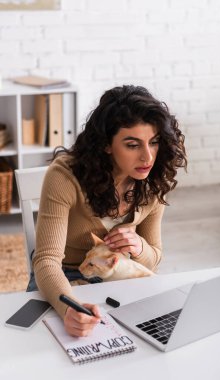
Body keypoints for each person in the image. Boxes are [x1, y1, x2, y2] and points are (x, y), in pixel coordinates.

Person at [31, 84, 187, 337]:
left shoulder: (153, 180)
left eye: (154, 142)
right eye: (132, 145)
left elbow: (154, 260)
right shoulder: (65, 176)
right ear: (106, 144)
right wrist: (67, 308)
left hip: (120, 277)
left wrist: (138, 247)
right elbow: (46, 261)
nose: (148, 157)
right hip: (66, 276)